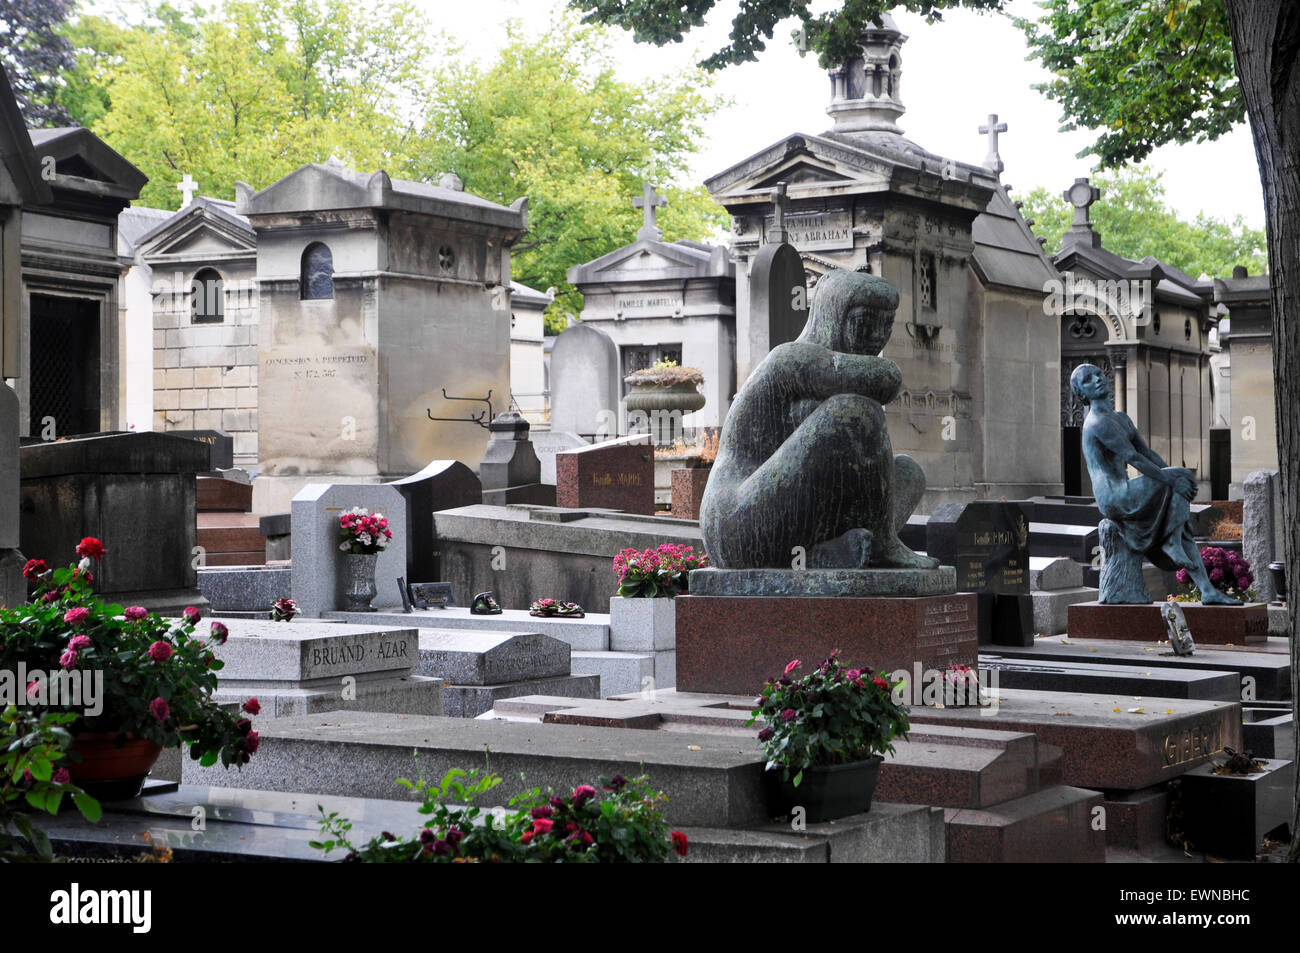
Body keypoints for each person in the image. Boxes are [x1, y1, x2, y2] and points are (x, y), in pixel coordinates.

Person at [699, 268, 936, 570]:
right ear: (834, 316)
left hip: (789, 527)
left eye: (886, 325)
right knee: (855, 412)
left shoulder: (830, 373)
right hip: (736, 527)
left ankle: (824, 553)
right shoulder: (791, 359)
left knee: (908, 472)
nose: (877, 337)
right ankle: (882, 543)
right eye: (864, 324)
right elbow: (887, 379)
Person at [1070, 362, 1238, 604]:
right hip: (1114, 496)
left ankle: (1207, 589)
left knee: (1180, 515)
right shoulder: (1098, 422)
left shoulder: (1121, 418)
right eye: (1087, 380)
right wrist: (1171, 478)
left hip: (1127, 491)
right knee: (1176, 481)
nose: (1097, 379)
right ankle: (1173, 542)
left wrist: (1171, 474)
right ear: (1082, 394)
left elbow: (1146, 452)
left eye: (1098, 374)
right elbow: (1133, 458)